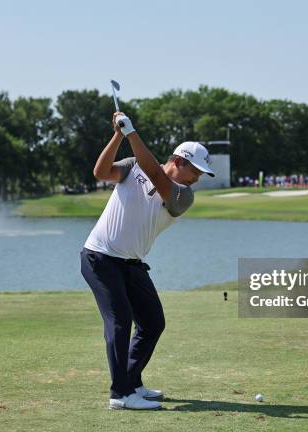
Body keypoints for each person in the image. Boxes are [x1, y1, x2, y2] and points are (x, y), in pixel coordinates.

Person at [80, 111, 214, 410]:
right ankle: (120, 395)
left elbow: (155, 174)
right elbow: (101, 173)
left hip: (131, 263)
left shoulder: (183, 196)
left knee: (153, 322)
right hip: (100, 256)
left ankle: (132, 382)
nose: (198, 178)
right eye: (195, 170)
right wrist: (118, 134)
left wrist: (131, 132)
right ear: (179, 160)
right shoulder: (131, 168)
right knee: (120, 321)